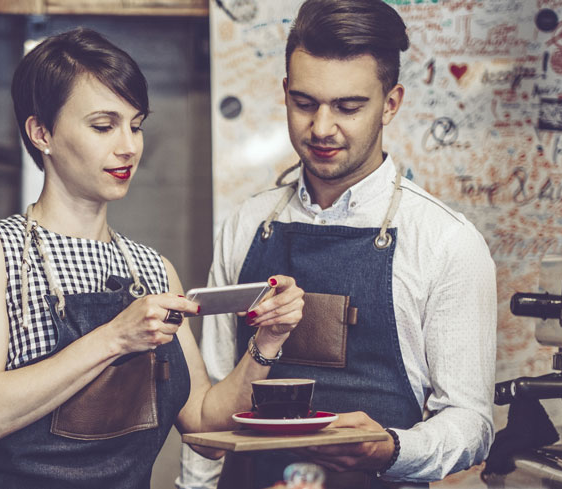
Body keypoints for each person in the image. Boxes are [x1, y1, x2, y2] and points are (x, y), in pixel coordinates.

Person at [0, 27, 306, 488]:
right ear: (41, 133)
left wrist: (267, 342)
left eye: (135, 125)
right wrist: (115, 337)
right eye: (103, 126)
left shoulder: (153, 269)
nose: (129, 146)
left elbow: (206, 428)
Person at [178, 0, 497, 486]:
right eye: (305, 103)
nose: (322, 128)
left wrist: (392, 447)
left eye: (348, 107)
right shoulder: (246, 225)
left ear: (391, 103)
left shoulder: (446, 242)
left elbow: (471, 424)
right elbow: (211, 407)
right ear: (285, 93)